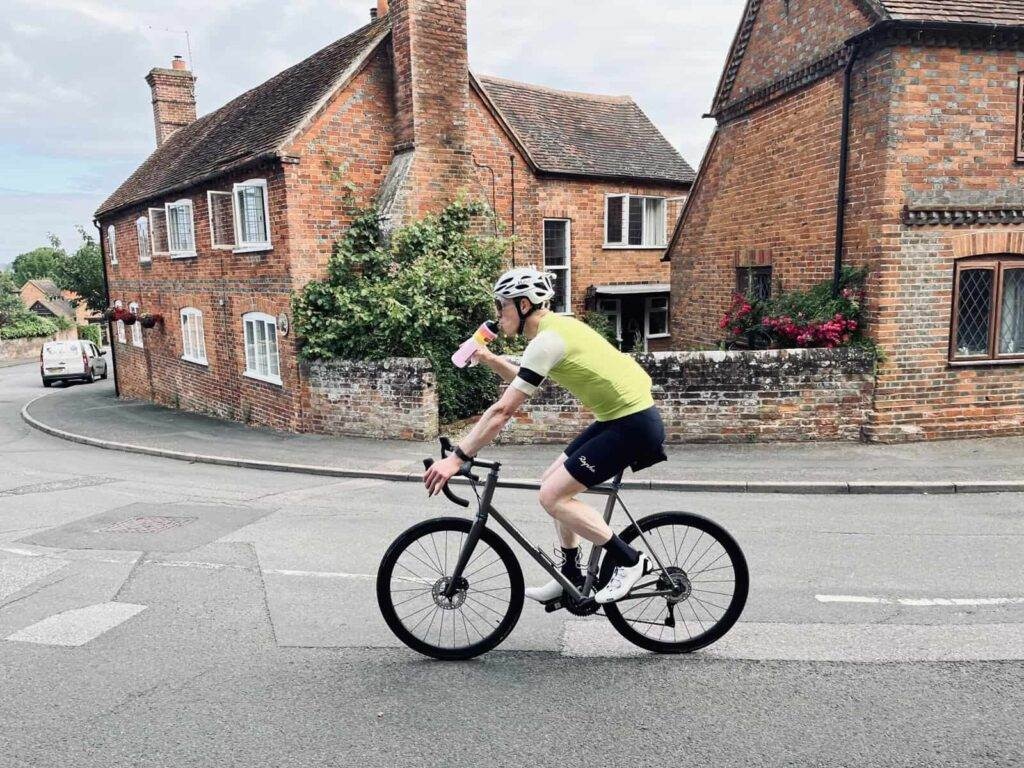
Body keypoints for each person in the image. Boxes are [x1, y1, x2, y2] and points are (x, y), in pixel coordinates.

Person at [423, 266, 667, 604]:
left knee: (553, 496)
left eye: (502, 306)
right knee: (550, 481)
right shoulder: (551, 332)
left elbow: (502, 412)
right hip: (618, 418)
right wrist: (490, 358)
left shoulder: (548, 341)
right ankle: (571, 572)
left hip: (633, 423)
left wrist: (458, 457)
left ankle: (630, 561)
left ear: (524, 306)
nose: (498, 315)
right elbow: (526, 377)